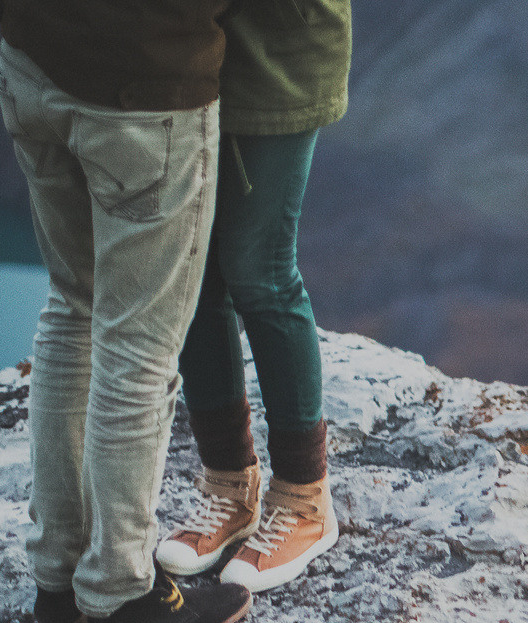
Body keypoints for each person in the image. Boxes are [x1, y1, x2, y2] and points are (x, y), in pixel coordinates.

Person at [0, 0, 253, 623]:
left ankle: (57, 584)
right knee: (137, 346)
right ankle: (119, 594)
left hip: (31, 61)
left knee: (73, 303)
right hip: (146, 87)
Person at [155, 0, 351, 592]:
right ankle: (230, 486)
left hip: (278, 56)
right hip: (191, 54)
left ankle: (305, 501)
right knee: (194, 273)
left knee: (259, 271)